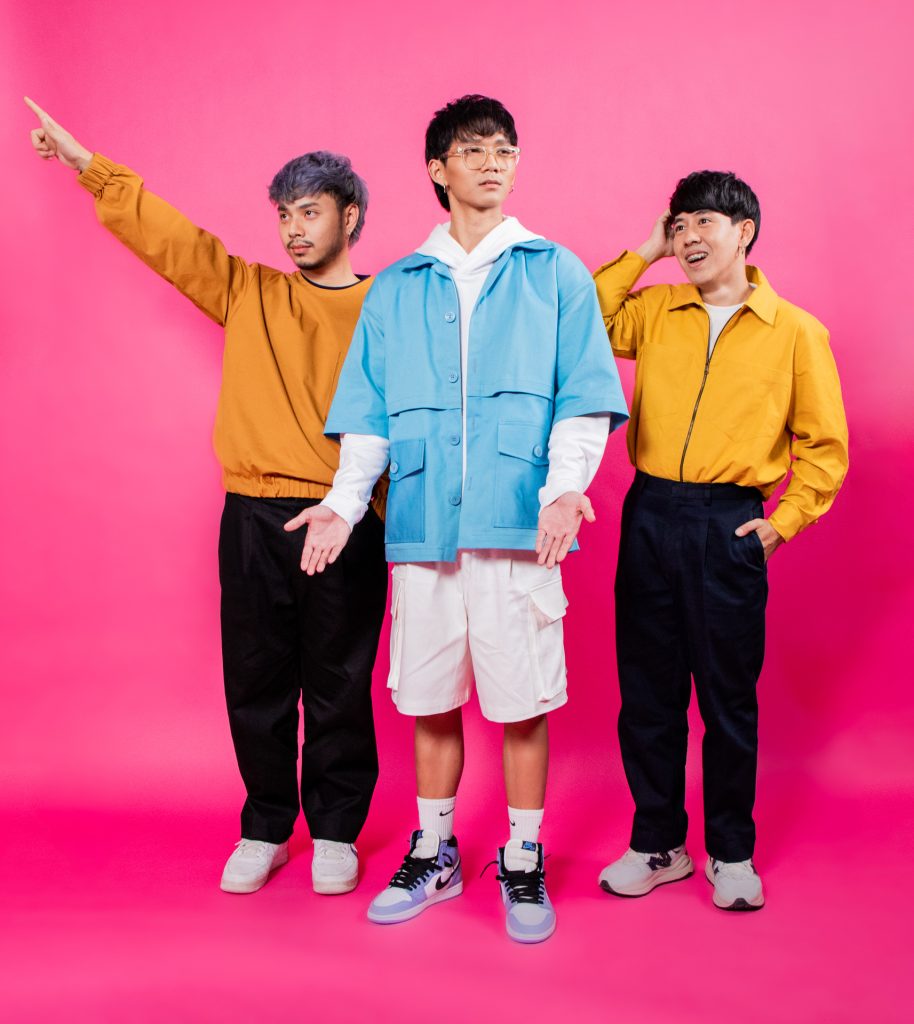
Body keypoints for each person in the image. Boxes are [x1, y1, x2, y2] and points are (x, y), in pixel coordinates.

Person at [25, 97, 388, 898]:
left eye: (310, 212)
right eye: (284, 214)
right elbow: (172, 239)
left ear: (351, 216)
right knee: (256, 677)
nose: (293, 229)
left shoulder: (389, 306)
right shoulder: (250, 291)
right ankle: (266, 828)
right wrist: (88, 165)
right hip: (252, 514)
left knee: (338, 681)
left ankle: (335, 832)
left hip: (345, 516)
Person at [287, 94, 628, 943]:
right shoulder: (398, 287)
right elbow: (370, 414)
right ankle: (434, 851)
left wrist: (564, 488)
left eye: (504, 149)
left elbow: (584, 398)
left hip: (520, 527)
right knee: (429, 700)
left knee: (522, 704)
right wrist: (343, 504)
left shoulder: (556, 272)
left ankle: (522, 856)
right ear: (438, 170)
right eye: (474, 150)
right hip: (422, 529)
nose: (493, 162)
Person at [594, 171, 848, 911]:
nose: (689, 237)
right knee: (647, 697)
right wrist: (644, 251)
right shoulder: (656, 311)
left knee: (727, 700)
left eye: (704, 221)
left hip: (728, 522)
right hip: (649, 513)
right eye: (679, 226)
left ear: (745, 231)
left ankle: (731, 853)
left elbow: (825, 447)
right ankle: (658, 845)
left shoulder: (794, 330)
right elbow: (582, 315)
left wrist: (781, 524)